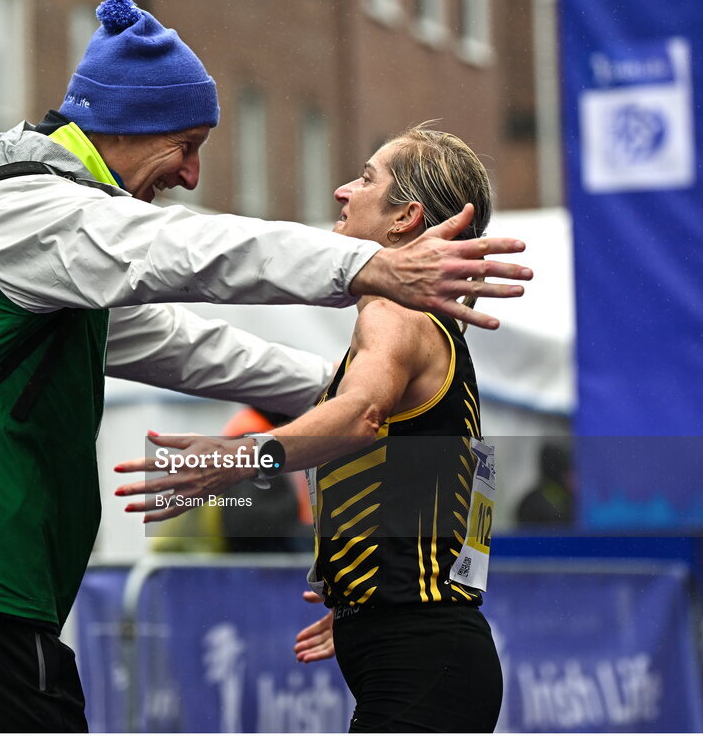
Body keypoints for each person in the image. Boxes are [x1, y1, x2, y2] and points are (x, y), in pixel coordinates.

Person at [0, 0, 527, 732]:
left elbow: (190, 348)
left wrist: (374, 570)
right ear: (129, 125)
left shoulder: (64, 243)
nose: (191, 176)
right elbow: (193, 251)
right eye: (188, 146)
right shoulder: (34, 208)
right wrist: (362, 268)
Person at [116, 124, 504, 731]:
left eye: (367, 178)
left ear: (405, 217)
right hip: (425, 647)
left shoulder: (395, 314)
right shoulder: (430, 332)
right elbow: (447, 492)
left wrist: (236, 457)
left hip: (426, 656)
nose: (343, 190)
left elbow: (360, 416)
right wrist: (373, 602)